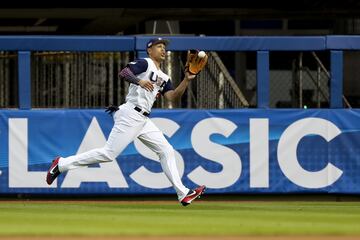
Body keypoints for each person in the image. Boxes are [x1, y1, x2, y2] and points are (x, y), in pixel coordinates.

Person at [46, 37, 206, 206]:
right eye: (158, 46)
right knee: (108, 154)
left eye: (164, 46)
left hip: (143, 119)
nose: (163, 49)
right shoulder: (145, 63)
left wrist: (187, 79)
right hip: (131, 113)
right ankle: (61, 164)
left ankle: (183, 193)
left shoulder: (164, 77)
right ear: (149, 50)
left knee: (166, 150)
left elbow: (172, 97)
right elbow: (123, 72)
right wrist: (139, 80)